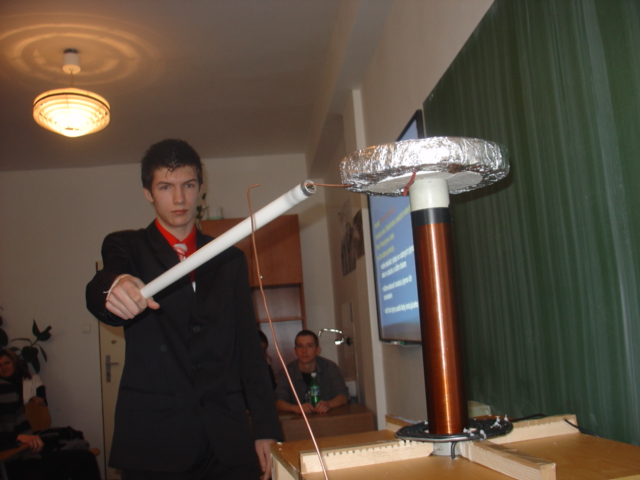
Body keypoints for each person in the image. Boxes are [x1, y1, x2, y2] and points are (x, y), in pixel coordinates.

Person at [86, 139, 281, 480]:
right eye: (166, 187)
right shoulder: (127, 246)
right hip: (155, 440)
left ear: (200, 188)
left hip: (227, 438)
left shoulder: (230, 258)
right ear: (148, 193)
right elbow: (103, 283)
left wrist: (266, 427)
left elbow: (248, 347)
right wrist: (116, 285)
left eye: (188, 185)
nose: (179, 199)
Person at [0, 350, 101, 480]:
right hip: (12, 459)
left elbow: (24, 426)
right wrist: (18, 438)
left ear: (14, 363)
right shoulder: (6, 389)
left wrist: (27, 443)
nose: (4, 368)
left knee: (85, 458)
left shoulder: (14, 388)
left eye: (7, 363)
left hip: (27, 452)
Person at [275, 330, 349, 414]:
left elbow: (343, 396)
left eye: (309, 346)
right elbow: (278, 402)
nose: (304, 351)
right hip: (298, 420)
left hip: (327, 418)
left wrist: (328, 404)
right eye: (300, 346)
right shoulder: (285, 372)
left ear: (317, 350)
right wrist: (295, 408)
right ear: (295, 350)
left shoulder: (330, 367)